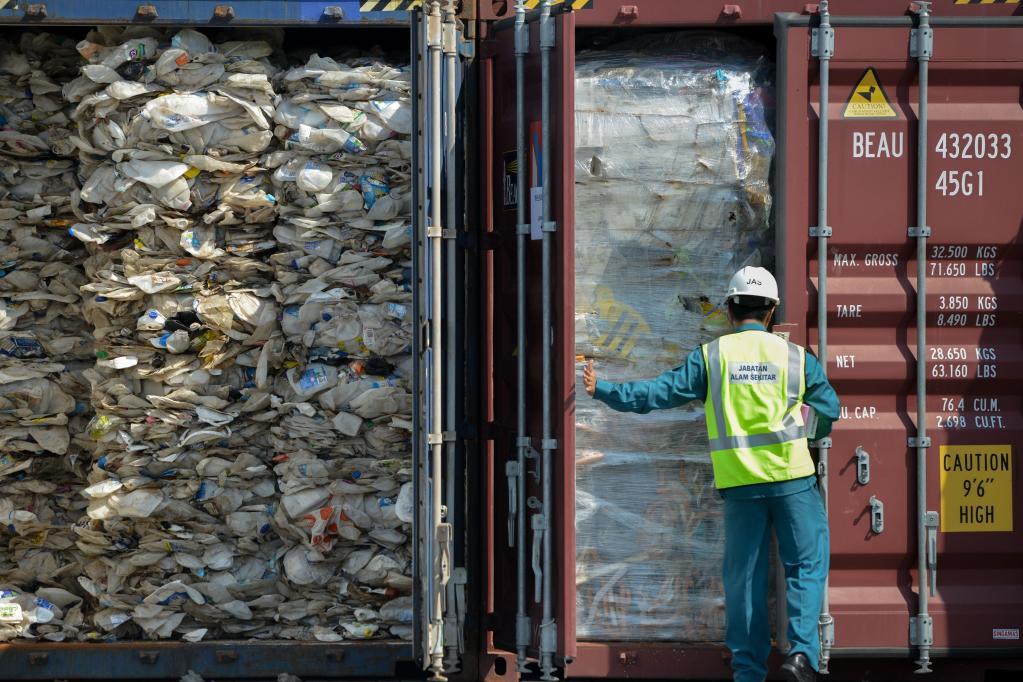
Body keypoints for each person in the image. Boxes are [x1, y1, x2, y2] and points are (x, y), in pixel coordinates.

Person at [582, 266, 839, 682]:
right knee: (805, 567)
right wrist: (801, 425)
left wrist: (606, 389)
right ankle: (802, 657)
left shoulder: (712, 358)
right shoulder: (795, 358)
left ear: (729, 310)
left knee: (744, 581)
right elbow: (829, 412)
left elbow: (656, 394)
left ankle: (748, 672)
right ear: (772, 311)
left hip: (741, 488)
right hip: (793, 483)